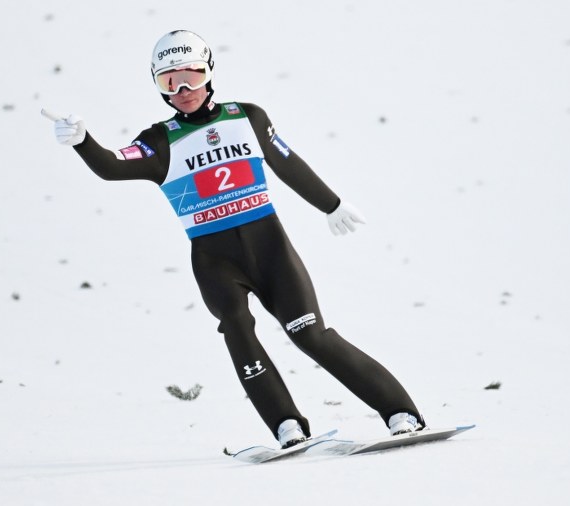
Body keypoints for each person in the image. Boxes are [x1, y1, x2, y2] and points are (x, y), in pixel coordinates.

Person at [44, 30, 424, 448]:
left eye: (191, 76)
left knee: (310, 335)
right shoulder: (158, 142)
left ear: (209, 73)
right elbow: (112, 165)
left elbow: (286, 162)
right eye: (169, 82)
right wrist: (83, 142)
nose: (183, 90)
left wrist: (331, 204)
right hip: (215, 261)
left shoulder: (248, 117)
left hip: (271, 250)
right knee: (238, 329)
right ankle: (287, 425)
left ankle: (400, 412)